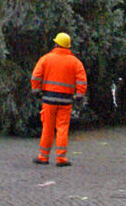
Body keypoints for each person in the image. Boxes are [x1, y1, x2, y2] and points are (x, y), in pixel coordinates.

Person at [30, 32, 88, 167]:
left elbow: (36, 76)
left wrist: (36, 90)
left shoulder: (46, 59)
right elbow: (82, 80)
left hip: (48, 99)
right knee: (62, 128)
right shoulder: (75, 62)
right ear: (68, 46)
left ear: (56, 44)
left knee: (47, 128)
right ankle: (61, 159)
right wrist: (79, 95)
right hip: (66, 101)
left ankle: (43, 157)